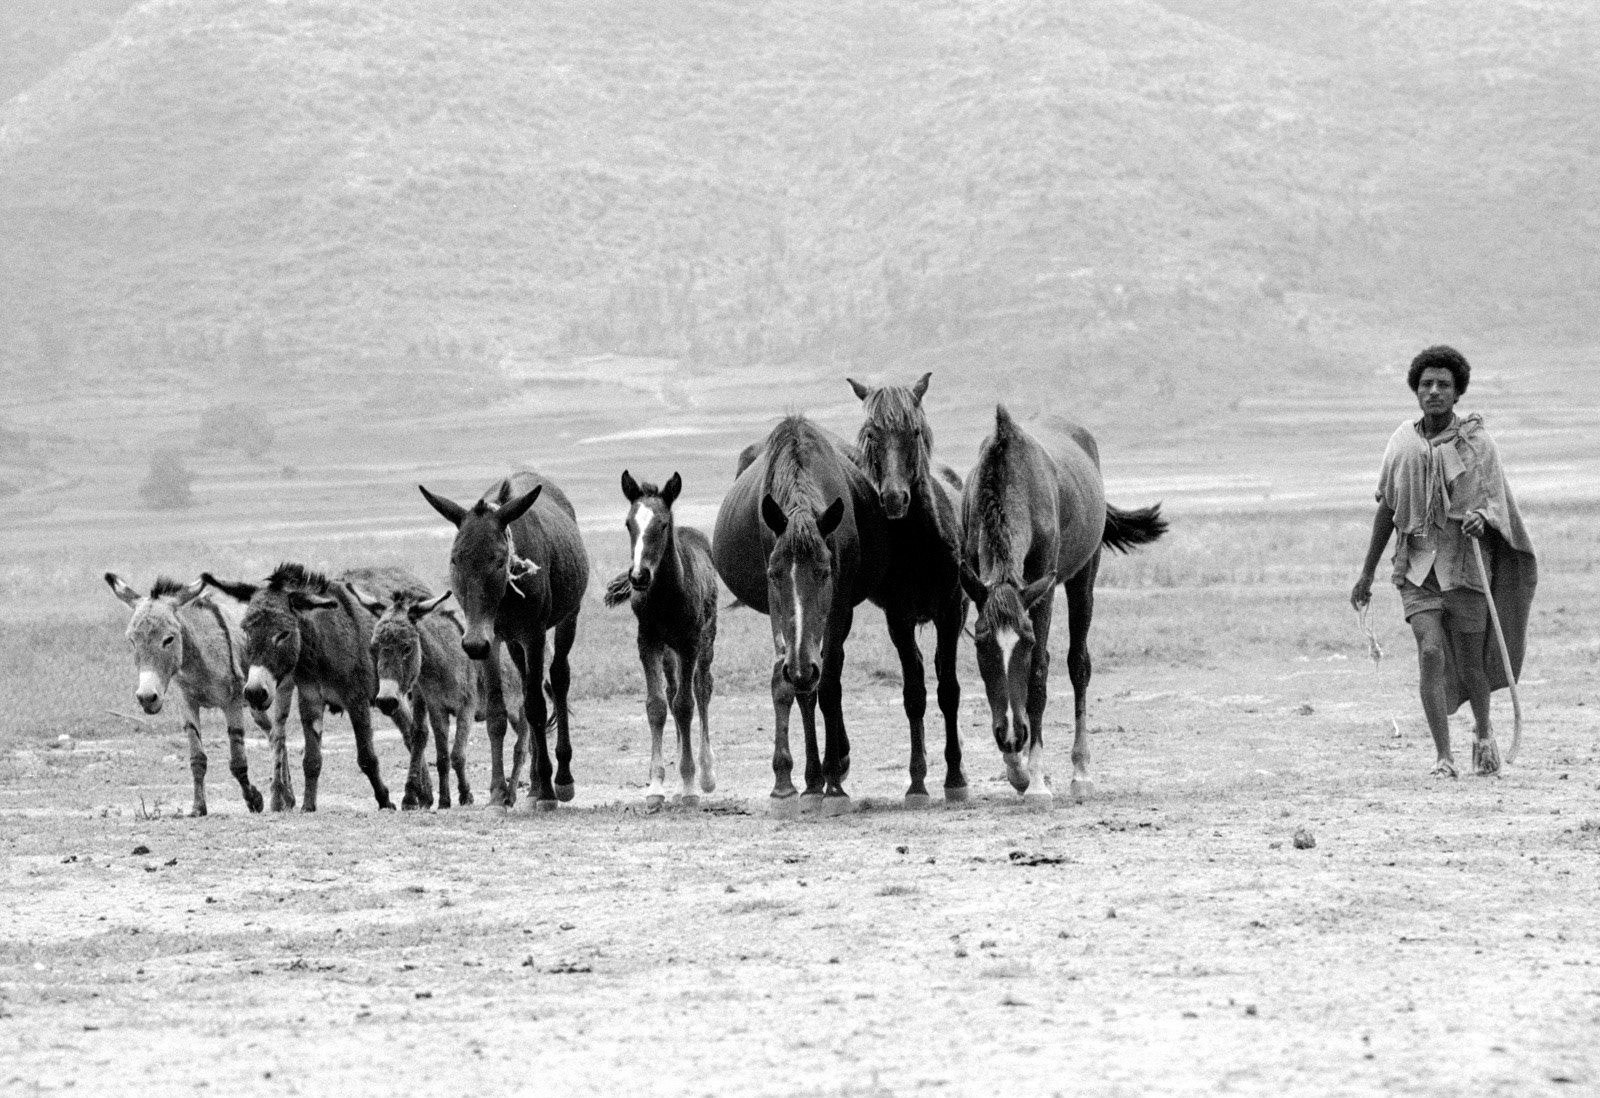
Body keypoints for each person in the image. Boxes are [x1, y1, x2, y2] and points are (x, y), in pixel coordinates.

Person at [1351, 346, 1537, 778]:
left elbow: (1495, 503)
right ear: (1416, 390)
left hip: (1465, 568)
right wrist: (1366, 572)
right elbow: (1387, 507)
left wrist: (1481, 520)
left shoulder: (1477, 444)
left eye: (1444, 385)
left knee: (1471, 661)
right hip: (1416, 569)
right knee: (1430, 651)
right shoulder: (1401, 444)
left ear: (1457, 394)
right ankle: (1443, 757)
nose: (1434, 391)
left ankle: (1484, 736)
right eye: (1426, 384)